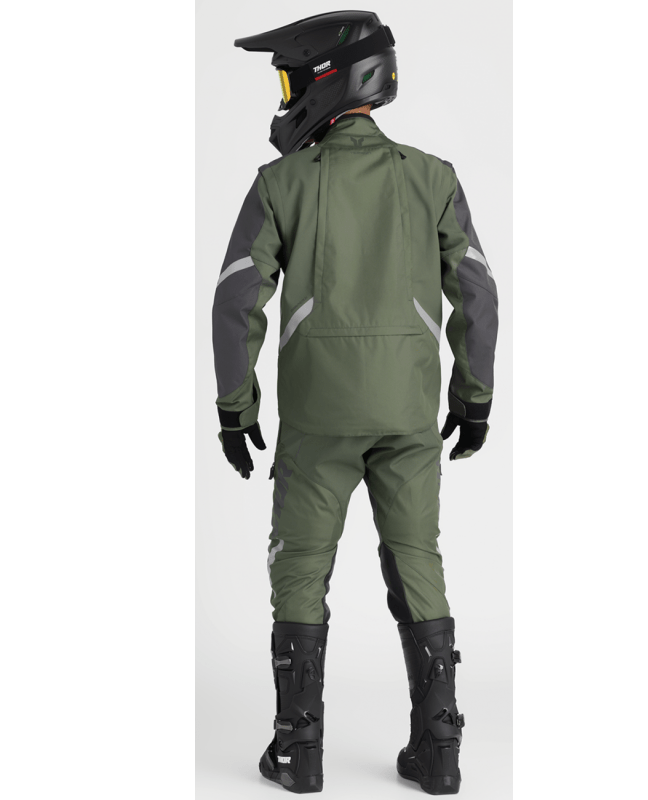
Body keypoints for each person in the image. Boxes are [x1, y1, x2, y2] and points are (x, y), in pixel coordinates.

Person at [212, 10, 498, 795]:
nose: (286, 96)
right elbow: (478, 294)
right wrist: (473, 399)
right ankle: (440, 751)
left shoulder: (280, 183)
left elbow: (236, 299)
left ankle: (298, 751)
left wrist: (236, 408)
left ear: (326, 82)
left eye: (291, 81)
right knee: (418, 560)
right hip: (409, 415)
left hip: (318, 418)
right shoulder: (434, 177)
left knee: (301, 567)